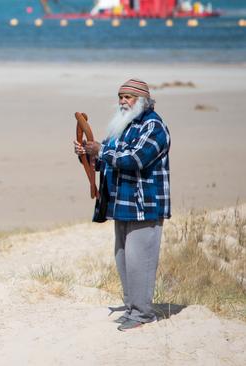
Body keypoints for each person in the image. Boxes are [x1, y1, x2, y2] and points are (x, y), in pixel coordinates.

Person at [74, 78, 171, 331]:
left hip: (144, 204)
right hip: (121, 203)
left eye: (128, 97)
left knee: (140, 261)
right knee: (124, 259)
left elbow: (135, 159)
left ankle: (142, 315)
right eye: (120, 96)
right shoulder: (122, 126)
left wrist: (100, 150)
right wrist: (87, 154)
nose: (123, 101)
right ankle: (132, 309)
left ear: (143, 100)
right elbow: (107, 161)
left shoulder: (154, 126)